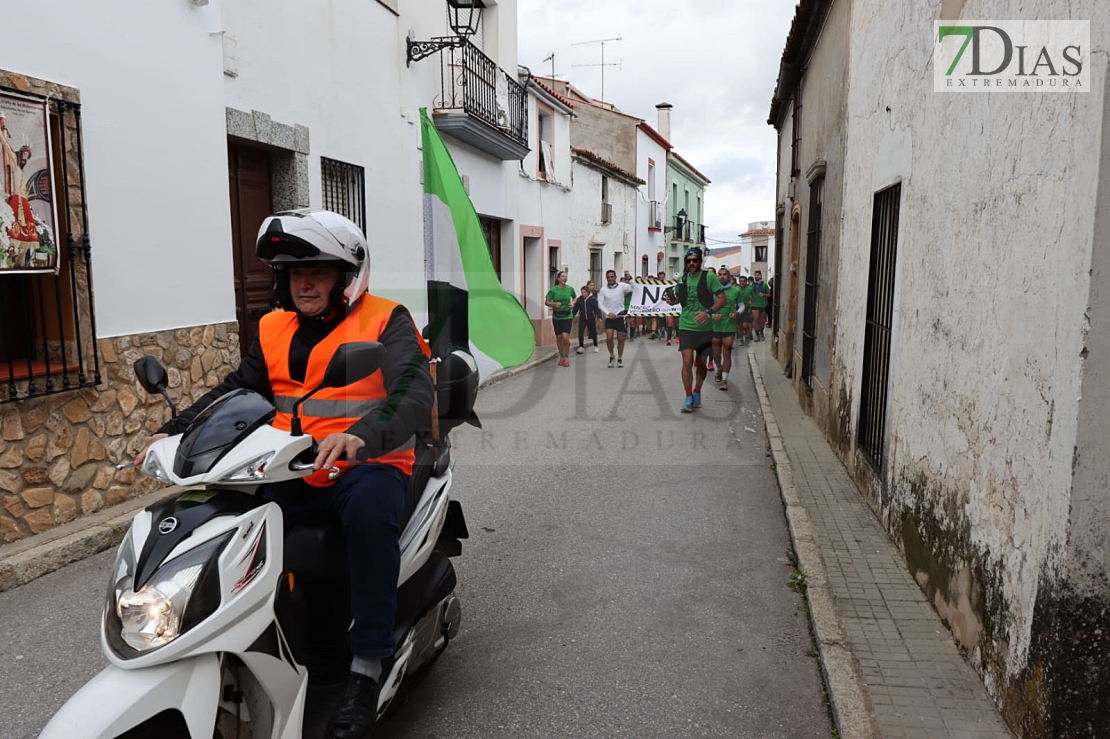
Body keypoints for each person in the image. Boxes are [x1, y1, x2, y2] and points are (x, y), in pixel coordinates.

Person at [136, 210, 434, 739]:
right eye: (293, 272)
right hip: (287, 465)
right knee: (221, 521)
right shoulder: (273, 327)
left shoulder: (387, 319)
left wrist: (362, 436)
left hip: (367, 463)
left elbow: (414, 392)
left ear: (347, 277)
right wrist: (176, 431)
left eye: (318, 270)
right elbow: (238, 388)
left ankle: (365, 670)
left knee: (368, 518)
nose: (304, 282)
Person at [664, 247, 726, 412]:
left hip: (705, 327)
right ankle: (688, 396)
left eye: (695, 260)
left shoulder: (709, 277)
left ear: (700, 261)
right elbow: (678, 298)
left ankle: (698, 391)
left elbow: (722, 299)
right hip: (685, 325)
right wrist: (672, 301)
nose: (691, 263)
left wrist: (708, 312)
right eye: (689, 261)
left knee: (701, 363)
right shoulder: (682, 279)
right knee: (687, 361)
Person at [711, 267, 743, 392]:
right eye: (720, 274)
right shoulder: (712, 291)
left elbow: (742, 306)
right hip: (715, 326)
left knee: (727, 349)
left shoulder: (735, 291)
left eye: (725, 274)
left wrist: (737, 313)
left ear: (729, 276)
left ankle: (724, 380)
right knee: (716, 355)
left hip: (729, 324)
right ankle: (718, 367)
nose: (722, 276)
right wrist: (713, 315)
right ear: (717, 276)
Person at [598, 269, 633, 368]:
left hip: (620, 315)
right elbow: (599, 303)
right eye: (608, 277)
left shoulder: (622, 286)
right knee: (609, 338)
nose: (610, 279)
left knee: (620, 338)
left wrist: (629, 278)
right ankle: (612, 355)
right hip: (610, 316)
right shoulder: (603, 289)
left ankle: (620, 357)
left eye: (612, 277)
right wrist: (608, 313)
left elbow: (634, 287)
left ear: (615, 277)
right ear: (606, 278)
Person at [545, 270, 576, 366]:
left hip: (567, 315)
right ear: (558, 278)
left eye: (566, 276)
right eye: (562, 276)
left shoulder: (570, 289)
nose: (564, 278)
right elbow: (547, 302)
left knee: (565, 337)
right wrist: (554, 304)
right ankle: (561, 356)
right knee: (559, 337)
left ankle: (566, 357)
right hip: (557, 316)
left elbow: (575, 297)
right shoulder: (553, 290)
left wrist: (573, 303)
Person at [573, 284, 600, 354]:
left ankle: (595, 345)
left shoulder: (593, 299)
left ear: (588, 292)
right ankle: (581, 346)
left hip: (591, 318)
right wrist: (571, 316)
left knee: (593, 332)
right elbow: (576, 309)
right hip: (582, 318)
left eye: (584, 292)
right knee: (580, 331)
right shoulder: (579, 300)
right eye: (582, 292)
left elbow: (596, 309)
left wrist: (599, 316)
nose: (583, 294)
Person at [751, 269, 770, 341]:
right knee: (755, 320)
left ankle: (761, 333)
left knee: (762, 320)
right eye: (755, 275)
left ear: (761, 276)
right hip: (754, 305)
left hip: (762, 305)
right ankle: (757, 335)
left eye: (758, 275)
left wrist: (764, 294)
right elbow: (750, 294)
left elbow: (769, 294)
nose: (756, 276)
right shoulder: (751, 284)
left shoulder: (764, 284)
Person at [736, 274, 754, 346]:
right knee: (740, 325)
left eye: (744, 281)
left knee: (745, 325)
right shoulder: (736, 290)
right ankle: (741, 339)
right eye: (741, 281)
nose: (742, 283)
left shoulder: (749, 289)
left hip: (747, 309)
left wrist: (751, 301)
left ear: (746, 282)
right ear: (739, 282)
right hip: (738, 309)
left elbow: (753, 296)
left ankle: (746, 336)